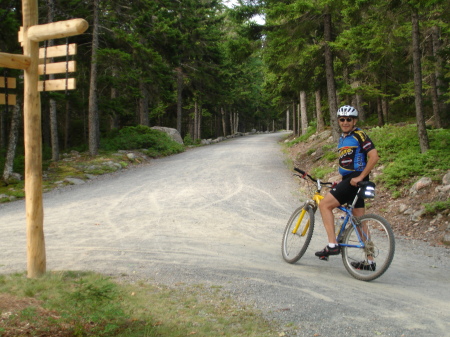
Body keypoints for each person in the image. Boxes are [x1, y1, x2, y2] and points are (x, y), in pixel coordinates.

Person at [315, 105, 379, 270]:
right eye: (342, 119)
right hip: (349, 180)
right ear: (338, 121)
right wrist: (341, 181)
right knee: (359, 221)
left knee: (324, 205)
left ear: (354, 121)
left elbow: (374, 156)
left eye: (348, 119)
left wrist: (360, 177)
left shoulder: (359, 135)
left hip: (355, 180)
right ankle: (370, 262)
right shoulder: (343, 138)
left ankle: (332, 244)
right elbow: (348, 162)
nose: (345, 122)